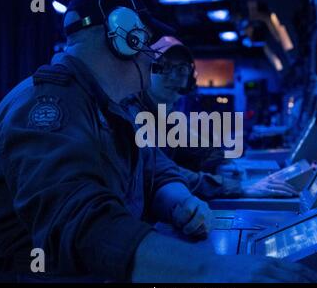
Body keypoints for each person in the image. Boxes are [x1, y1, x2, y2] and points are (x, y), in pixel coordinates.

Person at [0, 0, 317, 283]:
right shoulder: (47, 107)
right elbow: (83, 224)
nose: (151, 57)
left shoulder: (114, 105)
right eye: (145, 41)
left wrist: (180, 201)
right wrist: (213, 270)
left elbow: (154, 171)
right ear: (124, 39)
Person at [121, 36, 299, 200]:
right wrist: (237, 187)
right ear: (146, 71)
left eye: (182, 69)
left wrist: (221, 164)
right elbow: (163, 173)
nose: (174, 76)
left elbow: (201, 150)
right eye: (165, 66)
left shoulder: (167, 118)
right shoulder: (133, 116)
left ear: (190, 81)